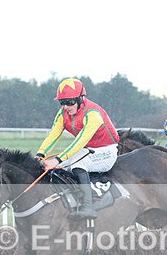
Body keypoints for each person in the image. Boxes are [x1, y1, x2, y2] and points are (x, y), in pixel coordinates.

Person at [36, 78, 119, 220]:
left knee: (78, 165)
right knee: (58, 168)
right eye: (62, 102)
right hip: (89, 149)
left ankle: (88, 207)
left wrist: (57, 159)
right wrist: (41, 153)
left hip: (106, 150)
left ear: (81, 98)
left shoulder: (93, 113)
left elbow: (80, 141)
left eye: (70, 102)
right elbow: (54, 134)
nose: (66, 107)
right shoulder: (62, 113)